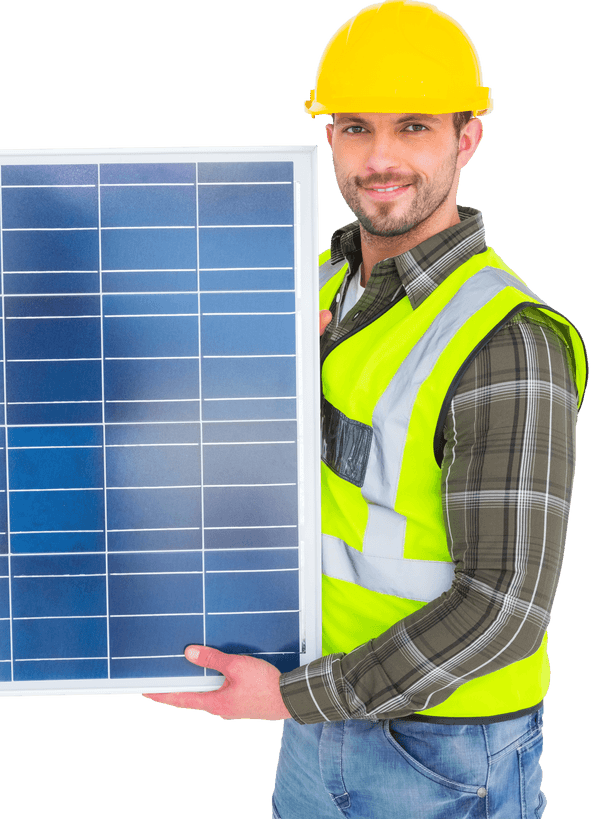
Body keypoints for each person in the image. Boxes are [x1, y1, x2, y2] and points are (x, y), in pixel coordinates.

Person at [144, 1, 588, 816]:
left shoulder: (505, 340)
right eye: (355, 127)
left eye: (413, 126)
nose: (381, 158)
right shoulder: (312, 283)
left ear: (467, 138)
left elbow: (505, 608)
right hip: (319, 719)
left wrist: (295, 696)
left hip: (444, 747)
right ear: (330, 137)